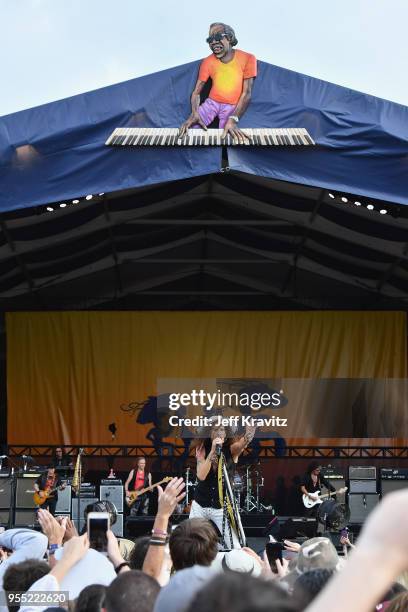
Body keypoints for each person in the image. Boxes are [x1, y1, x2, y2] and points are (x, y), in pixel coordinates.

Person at [179, 22, 257, 142]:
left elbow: (247, 93)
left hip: (232, 106)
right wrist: (194, 113)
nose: (213, 42)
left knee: (227, 138)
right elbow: (196, 93)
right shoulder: (207, 62)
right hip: (211, 103)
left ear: (230, 38)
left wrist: (233, 120)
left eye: (218, 37)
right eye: (210, 39)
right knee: (189, 132)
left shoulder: (248, 58)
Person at [189, 422, 256, 549]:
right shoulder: (202, 449)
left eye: (222, 429)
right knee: (190, 540)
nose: (219, 432)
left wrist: (248, 434)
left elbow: (242, 444)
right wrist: (213, 450)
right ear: (210, 433)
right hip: (200, 505)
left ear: (226, 434)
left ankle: (217, 549)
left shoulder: (231, 450)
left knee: (235, 546)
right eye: (215, 429)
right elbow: (201, 476)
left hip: (221, 507)